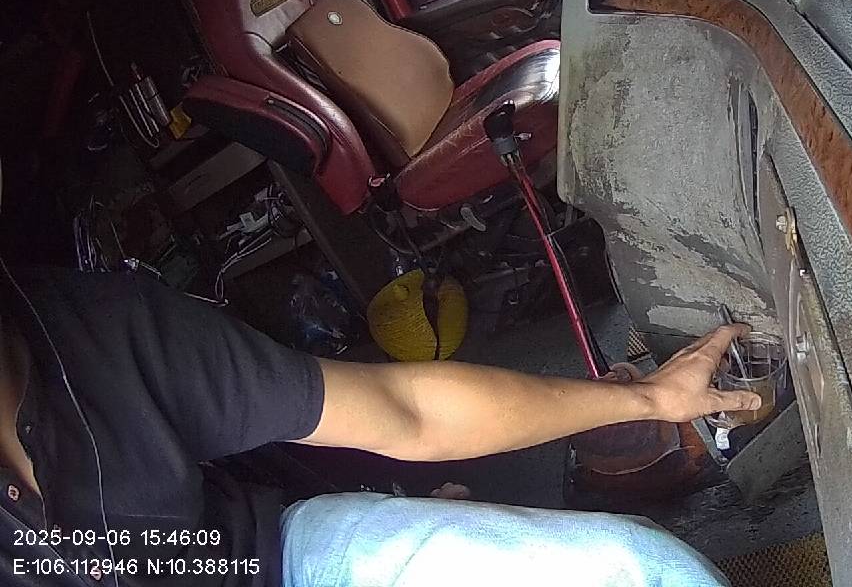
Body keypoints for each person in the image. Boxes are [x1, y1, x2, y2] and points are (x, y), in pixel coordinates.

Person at [0, 177, 761, 587]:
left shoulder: (106, 329)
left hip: (273, 563)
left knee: (641, 573)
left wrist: (647, 398)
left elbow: (404, 411)